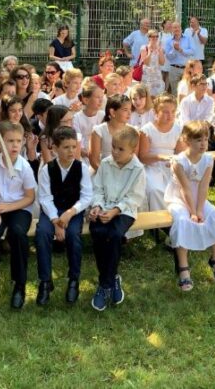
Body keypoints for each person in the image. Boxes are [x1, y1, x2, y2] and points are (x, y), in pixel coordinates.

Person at [0, 121, 37, 309]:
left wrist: (8, 207)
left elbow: (30, 197)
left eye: (18, 141)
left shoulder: (25, 167)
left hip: (20, 208)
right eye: (10, 141)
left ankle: (19, 285)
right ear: (0, 143)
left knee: (17, 234)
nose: (14, 145)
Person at [88, 125, 145, 310]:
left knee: (113, 235)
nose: (115, 152)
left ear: (132, 150)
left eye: (121, 149)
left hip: (124, 211)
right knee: (97, 231)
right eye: (113, 147)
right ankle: (112, 278)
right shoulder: (105, 163)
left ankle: (105, 285)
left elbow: (134, 198)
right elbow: (98, 188)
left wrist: (115, 211)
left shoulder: (138, 169)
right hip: (104, 207)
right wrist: (97, 206)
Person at [167, 121, 215, 291]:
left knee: (214, 215)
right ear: (187, 140)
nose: (203, 144)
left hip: (199, 197)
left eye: (206, 140)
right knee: (183, 220)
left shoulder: (208, 159)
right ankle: (183, 267)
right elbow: (184, 188)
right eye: (198, 140)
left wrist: (200, 209)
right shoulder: (179, 161)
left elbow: (203, 186)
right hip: (179, 197)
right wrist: (192, 212)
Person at [35, 126, 91, 306]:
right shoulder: (47, 169)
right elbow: (44, 197)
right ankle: (45, 281)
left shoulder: (82, 168)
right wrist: (56, 222)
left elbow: (87, 196)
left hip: (73, 211)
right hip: (52, 211)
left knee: (74, 235)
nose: (71, 151)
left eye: (74, 146)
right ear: (55, 149)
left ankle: (74, 279)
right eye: (66, 147)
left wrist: (70, 212)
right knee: (42, 233)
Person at [137, 95, 183, 212]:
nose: (170, 115)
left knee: (178, 188)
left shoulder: (178, 128)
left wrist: (175, 161)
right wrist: (161, 157)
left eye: (173, 112)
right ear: (156, 112)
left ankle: (176, 216)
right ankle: (158, 221)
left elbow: (181, 152)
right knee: (154, 189)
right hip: (152, 166)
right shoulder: (147, 130)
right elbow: (143, 157)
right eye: (165, 112)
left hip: (172, 166)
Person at [89, 94, 132, 173]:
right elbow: (94, 160)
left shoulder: (133, 131)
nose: (129, 113)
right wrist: (108, 176)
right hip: (102, 172)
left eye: (130, 109)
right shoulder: (98, 131)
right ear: (112, 112)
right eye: (125, 110)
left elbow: (134, 158)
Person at [71, 84, 105, 163]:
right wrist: (89, 155)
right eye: (97, 97)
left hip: (101, 155)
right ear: (86, 100)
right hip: (82, 156)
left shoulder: (103, 115)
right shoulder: (76, 118)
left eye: (102, 97)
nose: (101, 100)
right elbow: (77, 142)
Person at [163, 22, 194, 95]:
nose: (176, 29)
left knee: (187, 91)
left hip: (186, 68)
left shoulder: (188, 38)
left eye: (178, 27)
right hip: (174, 69)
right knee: (175, 92)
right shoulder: (168, 41)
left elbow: (192, 51)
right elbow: (168, 56)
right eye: (174, 27)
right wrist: (174, 49)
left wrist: (181, 50)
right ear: (172, 29)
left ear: (181, 28)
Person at [138, 29, 166, 97]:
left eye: (156, 36)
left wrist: (160, 51)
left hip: (157, 76)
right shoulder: (144, 48)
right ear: (149, 37)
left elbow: (162, 63)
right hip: (147, 76)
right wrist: (150, 52)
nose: (155, 38)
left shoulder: (160, 48)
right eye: (153, 36)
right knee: (147, 96)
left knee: (158, 96)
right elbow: (146, 63)